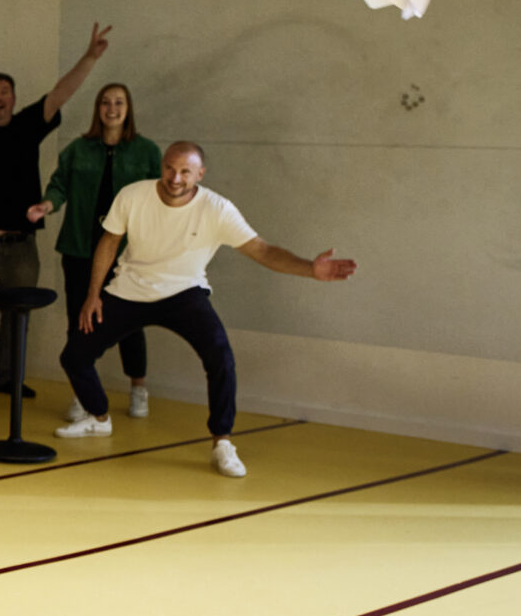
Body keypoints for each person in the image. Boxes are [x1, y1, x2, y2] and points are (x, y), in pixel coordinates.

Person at [56, 141, 356, 476]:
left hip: (185, 292)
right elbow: (109, 242)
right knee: (74, 356)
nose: (175, 177)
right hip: (129, 289)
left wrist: (309, 269)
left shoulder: (217, 209)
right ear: (162, 166)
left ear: (200, 174)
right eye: (170, 168)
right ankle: (99, 418)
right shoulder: (132, 195)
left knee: (221, 357)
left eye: (186, 171)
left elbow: (262, 250)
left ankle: (222, 443)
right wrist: (93, 294)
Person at [0, 14, 111, 416]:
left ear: (13, 98)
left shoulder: (30, 123)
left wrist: (89, 57)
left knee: (17, 313)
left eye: (4, 92)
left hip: (20, 244)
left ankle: (8, 377)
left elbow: (61, 93)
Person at [28, 82, 160, 422]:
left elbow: (161, 195)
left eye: (118, 102)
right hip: (80, 248)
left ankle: (138, 387)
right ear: (97, 109)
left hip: (128, 252)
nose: (111, 108)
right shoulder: (78, 149)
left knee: (130, 322)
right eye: (105, 102)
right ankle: (82, 392)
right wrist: (47, 205)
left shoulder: (145, 151)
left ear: (128, 109)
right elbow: (59, 185)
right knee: (80, 321)